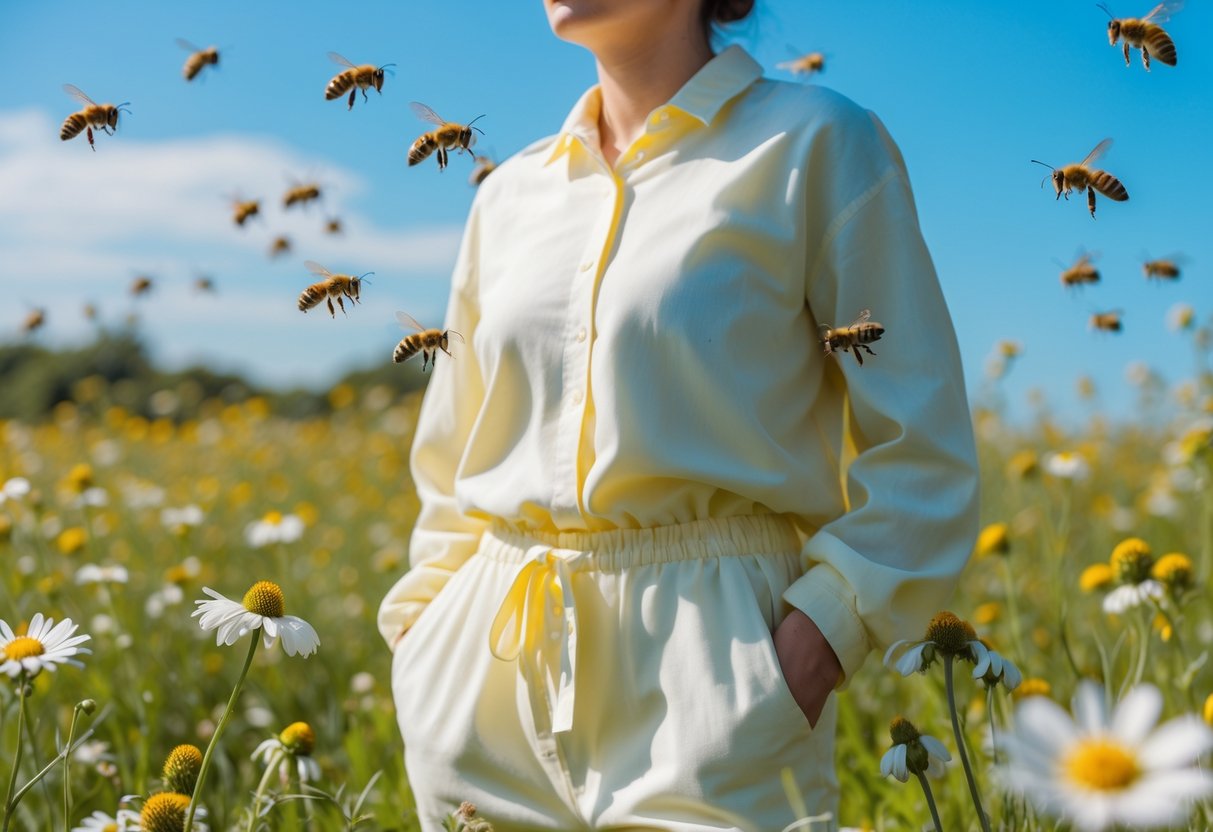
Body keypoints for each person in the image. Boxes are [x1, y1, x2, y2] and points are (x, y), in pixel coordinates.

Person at [379, 1, 979, 829]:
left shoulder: (816, 142)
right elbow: (451, 456)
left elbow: (922, 441)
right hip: (484, 670)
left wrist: (820, 638)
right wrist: (422, 636)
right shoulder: (508, 193)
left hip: (716, 666)